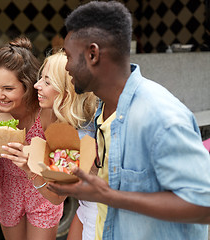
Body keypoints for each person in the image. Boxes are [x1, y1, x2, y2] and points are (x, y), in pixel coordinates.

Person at [47, 1, 210, 239]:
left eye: (69, 56)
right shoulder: (102, 113)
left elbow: (203, 204)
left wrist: (109, 196)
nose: (68, 66)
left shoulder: (159, 115)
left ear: (92, 54)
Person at [1, 50, 99, 240]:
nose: (37, 85)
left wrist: (31, 168)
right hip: (86, 207)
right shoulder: (69, 124)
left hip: (103, 213)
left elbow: (58, 195)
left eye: (47, 82)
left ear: (67, 90)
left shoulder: (83, 134)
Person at [0, 37, 63, 240]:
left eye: (8, 89)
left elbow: (60, 177)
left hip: (42, 191)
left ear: (28, 85)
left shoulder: (46, 113)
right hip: (7, 190)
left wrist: (32, 160)